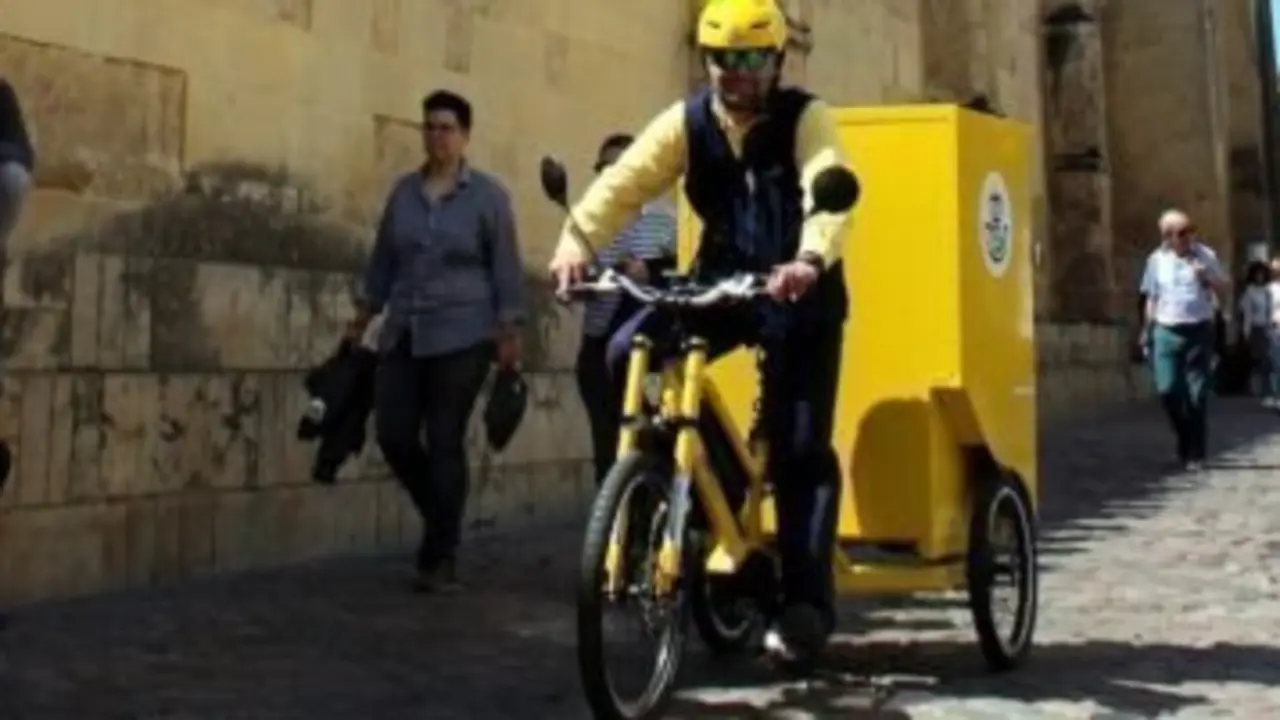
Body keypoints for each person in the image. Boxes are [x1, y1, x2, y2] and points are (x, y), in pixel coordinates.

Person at [547, 0, 856, 663]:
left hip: (799, 293)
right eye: (721, 59)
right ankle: (701, 472)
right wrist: (575, 243)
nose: (734, 74)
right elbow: (625, 184)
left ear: (775, 60)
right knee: (626, 350)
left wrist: (808, 259)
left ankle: (804, 601)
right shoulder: (687, 123)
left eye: (749, 60)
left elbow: (825, 184)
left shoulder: (807, 117)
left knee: (800, 445)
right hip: (724, 282)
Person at [349, 90, 527, 592]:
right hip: (404, 329)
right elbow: (383, 259)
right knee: (394, 435)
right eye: (429, 127)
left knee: (445, 438)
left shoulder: (489, 198)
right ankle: (443, 522)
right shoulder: (404, 194)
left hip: (464, 335)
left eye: (446, 128)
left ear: (465, 136)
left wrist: (509, 331)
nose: (436, 137)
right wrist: (362, 317)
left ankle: (439, 555)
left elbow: (506, 268)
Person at [576, 134, 677, 485]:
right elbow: (572, 275)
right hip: (597, 344)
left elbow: (685, 275)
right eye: (603, 168)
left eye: (618, 166)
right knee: (605, 439)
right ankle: (610, 523)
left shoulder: (666, 222)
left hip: (646, 350)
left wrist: (651, 272)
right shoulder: (587, 222)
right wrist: (579, 282)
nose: (610, 175)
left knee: (652, 430)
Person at [1138, 209, 1230, 471]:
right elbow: (1152, 297)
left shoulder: (1206, 255)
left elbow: (1225, 286)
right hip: (1166, 330)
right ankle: (1184, 438)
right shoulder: (1155, 260)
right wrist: (1147, 328)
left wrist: (1207, 277)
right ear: (1167, 237)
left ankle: (1195, 453)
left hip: (1198, 330)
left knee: (1197, 395)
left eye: (1190, 230)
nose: (1187, 237)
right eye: (1180, 233)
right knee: (1168, 391)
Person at [1239, 261, 1272, 402]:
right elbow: (1247, 313)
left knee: (1266, 360)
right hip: (1254, 328)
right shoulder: (1250, 291)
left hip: (1265, 328)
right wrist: (1247, 331)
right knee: (1255, 359)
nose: (1260, 277)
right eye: (1257, 275)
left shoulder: (1266, 291)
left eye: (1262, 274)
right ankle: (1253, 387)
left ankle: (1265, 389)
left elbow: (1269, 311)